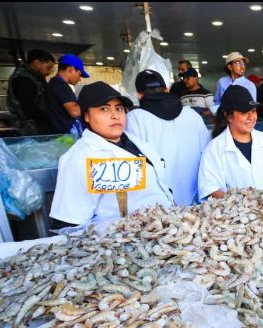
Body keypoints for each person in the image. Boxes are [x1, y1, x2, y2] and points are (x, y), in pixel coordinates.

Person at [50, 82, 173, 227]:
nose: (115, 115)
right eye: (104, 109)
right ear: (87, 116)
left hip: (161, 228)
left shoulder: (135, 142)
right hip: (123, 239)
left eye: (119, 108)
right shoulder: (80, 158)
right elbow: (69, 222)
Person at [126, 70, 211, 206]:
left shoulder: (133, 119)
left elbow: (135, 166)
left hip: (157, 208)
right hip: (195, 203)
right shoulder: (192, 115)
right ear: (166, 90)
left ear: (139, 95)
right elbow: (208, 154)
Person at [198, 85, 263, 199]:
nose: (251, 117)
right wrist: (241, 202)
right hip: (237, 214)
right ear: (229, 116)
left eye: (253, 111)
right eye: (244, 112)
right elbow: (210, 189)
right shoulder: (214, 149)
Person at [7, 49, 55, 135]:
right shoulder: (23, 80)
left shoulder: (34, 77)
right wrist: (50, 118)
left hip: (35, 126)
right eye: (48, 68)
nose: (49, 72)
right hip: (30, 129)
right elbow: (29, 109)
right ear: (36, 63)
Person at [45, 54, 89, 134]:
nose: (79, 79)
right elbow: (75, 112)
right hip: (64, 135)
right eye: (79, 74)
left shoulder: (54, 83)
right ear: (71, 69)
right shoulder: (60, 85)